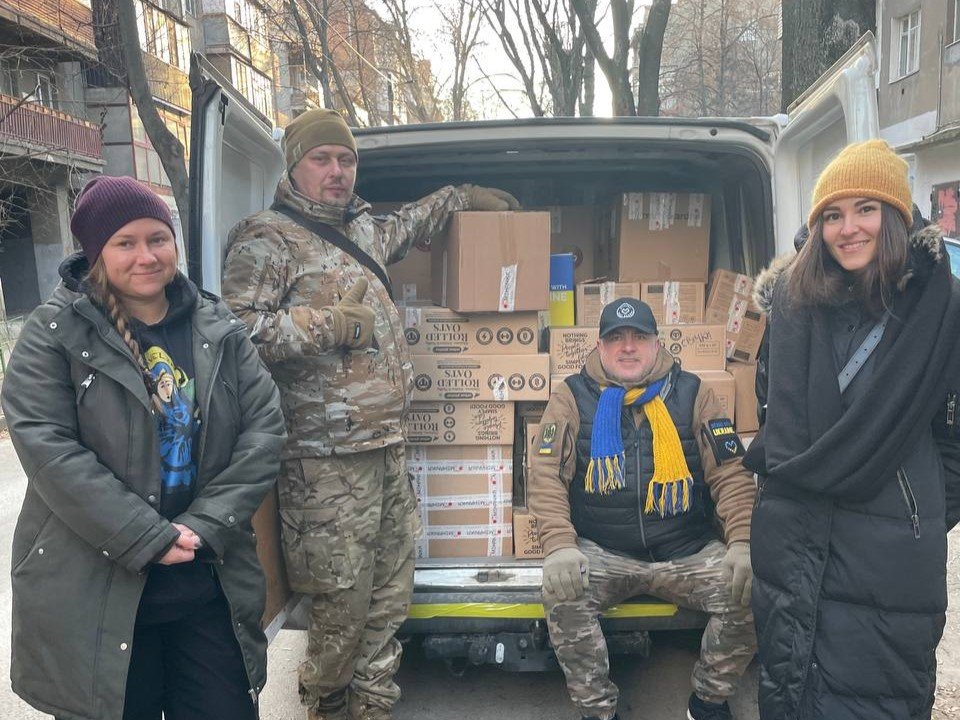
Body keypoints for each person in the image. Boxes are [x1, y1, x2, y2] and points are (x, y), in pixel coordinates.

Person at [220, 108, 520, 720]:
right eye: (322, 159)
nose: (336, 172)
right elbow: (233, 334)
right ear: (294, 166)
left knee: (389, 592)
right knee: (340, 602)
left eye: (346, 159)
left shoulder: (361, 229)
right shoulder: (267, 237)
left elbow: (412, 222)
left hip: (386, 446)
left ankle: (374, 705)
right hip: (322, 460)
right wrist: (328, 324)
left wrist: (463, 196)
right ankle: (327, 706)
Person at [1, 176, 286, 720]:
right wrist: (145, 535)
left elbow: (265, 429)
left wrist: (205, 523)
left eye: (158, 238)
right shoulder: (54, 333)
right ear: (95, 252)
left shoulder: (216, 324)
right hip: (97, 587)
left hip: (205, 579)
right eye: (124, 242)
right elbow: (47, 448)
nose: (146, 256)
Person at [744, 139, 960, 719]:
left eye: (866, 208)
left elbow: (956, 441)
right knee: (792, 685)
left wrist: (917, 506)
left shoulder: (939, 309)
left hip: (888, 548)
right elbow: (772, 408)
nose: (849, 229)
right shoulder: (792, 304)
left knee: (876, 696)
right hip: (793, 530)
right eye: (832, 216)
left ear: (895, 215)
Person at [528, 297, 758, 720]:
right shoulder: (572, 397)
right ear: (599, 346)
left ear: (657, 344)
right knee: (561, 593)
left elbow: (731, 473)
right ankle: (599, 710)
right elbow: (544, 475)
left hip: (686, 550)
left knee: (752, 588)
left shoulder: (693, 393)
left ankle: (707, 701)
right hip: (604, 550)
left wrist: (742, 541)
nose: (628, 347)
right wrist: (560, 544)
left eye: (639, 337)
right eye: (616, 338)